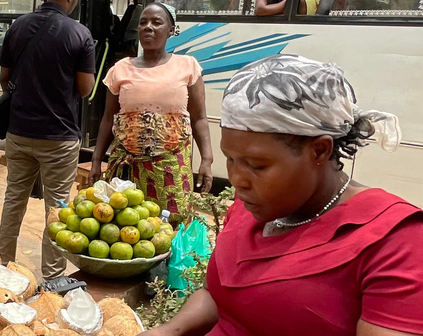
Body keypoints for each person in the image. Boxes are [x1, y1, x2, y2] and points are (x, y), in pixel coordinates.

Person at [139, 54, 423, 336]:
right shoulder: (251, 205)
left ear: (320, 151)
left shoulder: (394, 241)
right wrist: (170, 331)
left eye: (257, 165)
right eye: (231, 159)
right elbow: (217, 295)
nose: (238, 180)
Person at [0, 0, 96, 280]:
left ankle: (0, 268)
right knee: (57, 208)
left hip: (19, 132)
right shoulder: (79, 34)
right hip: (59, 138)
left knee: (14, 200)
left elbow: (4, 80)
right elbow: (85, 89)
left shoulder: (18, 27)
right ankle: (52, 279)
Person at [91, 2, 214, 218]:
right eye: (143, 22)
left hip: (171, 170)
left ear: (171, 31)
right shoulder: (120, 69)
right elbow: (108, 120)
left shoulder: (187, 66)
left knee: (169, 227)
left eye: (157, 22)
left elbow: (199, 118)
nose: (148, 27)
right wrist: (95, 161)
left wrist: (207, 160)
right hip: (126, 170)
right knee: (124, 228)